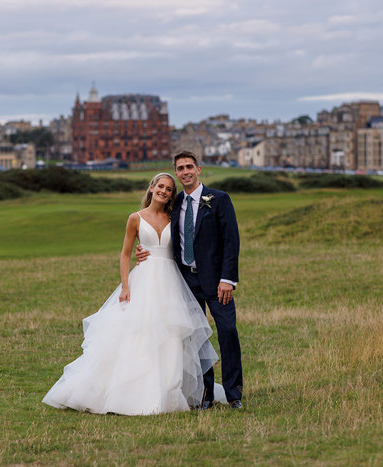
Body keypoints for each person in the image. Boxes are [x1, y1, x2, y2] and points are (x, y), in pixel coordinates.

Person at [42, 173, 221, 415]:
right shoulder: (135, 218)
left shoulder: (174, 217)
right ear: (151, 188)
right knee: (140, 331)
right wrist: (125, 285)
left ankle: (169, 390)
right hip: (144, 279)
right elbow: (125, 254)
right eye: (160, 186)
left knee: (170, 334)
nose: (164, 192)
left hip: (170, 282)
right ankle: (131, 390)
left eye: (169, 189)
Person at [137, 151, 243, 410]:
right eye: (180, 168)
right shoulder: (174, 204)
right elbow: (157, 229)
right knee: (195, 337)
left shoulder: (219, 199)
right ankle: (204, 395)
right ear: (176, 172)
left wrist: (227, 279)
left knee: (227, 332)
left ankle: (234, 394)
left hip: (218, 282)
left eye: (189, 167)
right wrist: (144, 250)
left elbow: (231, 241)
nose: (185, 172)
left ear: (199, 169)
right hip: (184, 282)